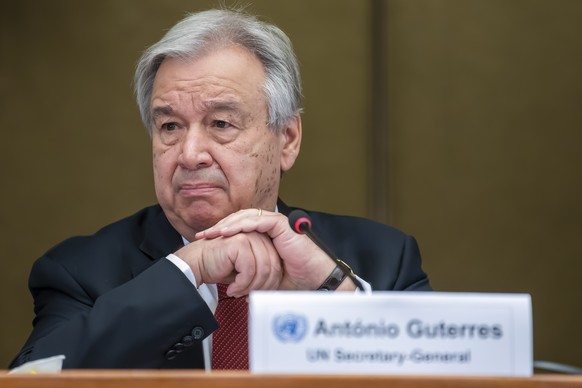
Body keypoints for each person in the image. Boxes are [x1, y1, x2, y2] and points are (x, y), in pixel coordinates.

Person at [10, 8, 430, 370]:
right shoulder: (81, 273)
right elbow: (36, 376)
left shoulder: (385, 260)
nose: (190, 154)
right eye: (170, 126)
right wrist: (188, 269)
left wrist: (333, 289)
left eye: (221, 124)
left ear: (287, 139)